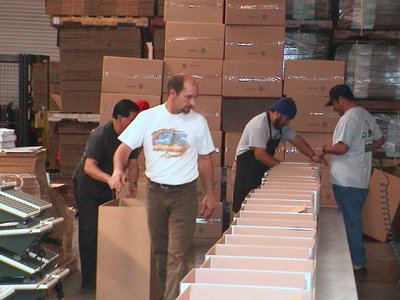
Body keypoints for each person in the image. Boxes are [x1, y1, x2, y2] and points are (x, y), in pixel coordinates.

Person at [110, 74, 217, 300]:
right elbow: (123, 149)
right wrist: (118, 170)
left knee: (176, 254)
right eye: (188, 98)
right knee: (160, 252)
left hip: (185, 195)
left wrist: (210, 193)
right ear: (172, 94)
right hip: (155, 193)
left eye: (195, 98)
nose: (193, 103)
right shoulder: (148, 118)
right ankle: (170, 295)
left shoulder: (198, 123)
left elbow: (205, 160)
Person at [73, 99, 149, 290]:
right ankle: (89, 282)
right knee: (89, 230)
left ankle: (106, 274)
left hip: (108, 184)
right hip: (88, 184)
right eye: (132, 119)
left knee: (106, 228)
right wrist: (109, 179)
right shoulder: (100, 135)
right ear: (120, 118)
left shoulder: (131, 137)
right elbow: (88, 167)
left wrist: (132, 184)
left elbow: (133, 164)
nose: (134, 123)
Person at [319, 84, 384, 275]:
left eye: (334, 104)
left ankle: (356, 261)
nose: (334, 108)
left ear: (341, 99)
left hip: (346, 180)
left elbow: (342, 148)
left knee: (351, 222)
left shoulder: (348, 118)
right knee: (352, 219)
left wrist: (324, 149)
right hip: (360, 178)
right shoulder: (365, 115)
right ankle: (355, 259)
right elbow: (379, 140)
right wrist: (362, 151)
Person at [232, 97, 327, 213]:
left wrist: (313, 156)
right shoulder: (259, 126)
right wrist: (282, 167)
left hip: (262, 167)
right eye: (286, 119)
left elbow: (296, 140)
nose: (287, 123)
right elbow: (260, 155)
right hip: (247, 169)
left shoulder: (281, 126)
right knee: (244, 206)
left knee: (260, 205)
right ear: (277, 113)